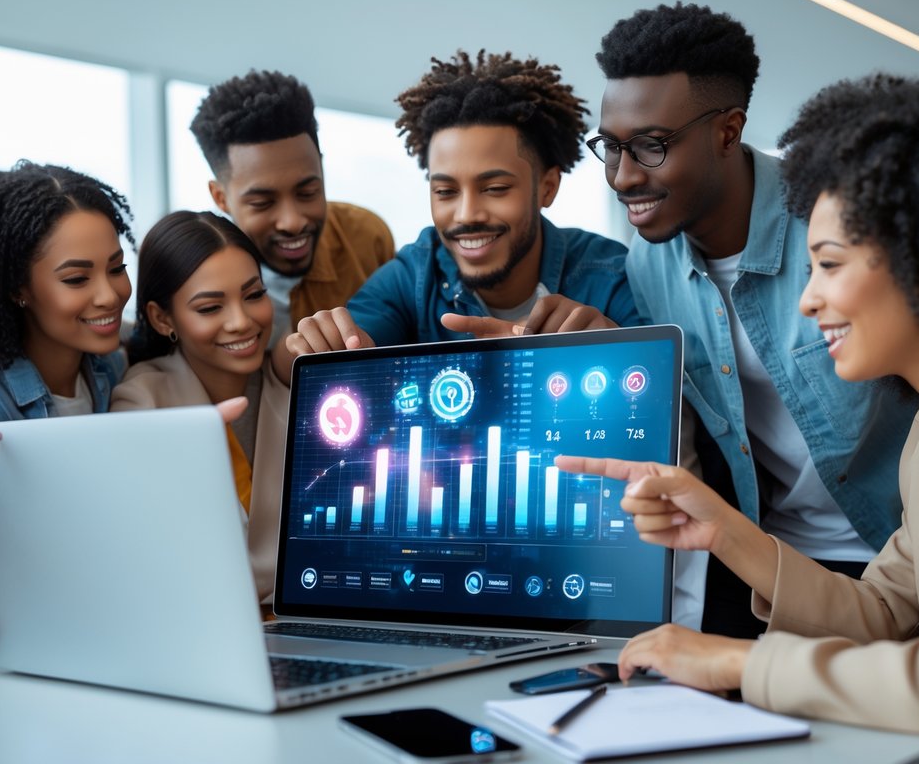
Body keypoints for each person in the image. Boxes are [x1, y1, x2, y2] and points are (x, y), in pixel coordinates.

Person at [561, 75, 919, 760]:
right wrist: (722, 529)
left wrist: (735, 664)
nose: (805, 301)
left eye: (828, 265)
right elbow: (883, 613)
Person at [592, 3, 917, 636]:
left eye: (651, 147)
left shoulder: (838, 220)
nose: (623, 176)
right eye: (610, 146)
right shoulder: (647, 263)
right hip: (769, 564)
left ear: (727, 131)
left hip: (901, 555)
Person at [285, 50, 637, 372]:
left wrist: (616, 353)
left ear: (547, 188)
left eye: (495, 189)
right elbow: (325, 353)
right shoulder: (412, 278)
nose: (467, 214)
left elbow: (669, 410)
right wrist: (318, 346)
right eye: (445, 191)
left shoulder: (611, 276)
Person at [110, 211, 287, 602]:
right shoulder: (143, 402)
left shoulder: (290, 383)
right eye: (210, 308)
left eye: (254, 295)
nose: (241, 322)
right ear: (161, 318)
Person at [191, 70, 395, 345]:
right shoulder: (192, 272)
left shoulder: (366, 238)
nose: (293, 222)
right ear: (221, 197)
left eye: (308, 192)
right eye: (262, 203)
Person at [0, 162, 133, 424]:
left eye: (117, 268)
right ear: (17, 288)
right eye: (77, 279)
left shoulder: (114, 369)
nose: (108, 296)